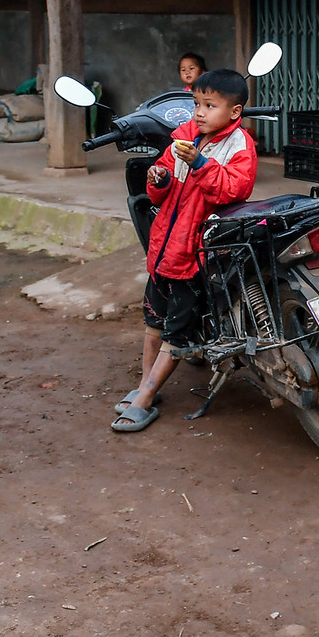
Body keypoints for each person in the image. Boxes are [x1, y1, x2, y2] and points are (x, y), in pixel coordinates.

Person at [112, 67, 257, 433]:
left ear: (234, 112)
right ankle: (148, 386)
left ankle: (145, 398)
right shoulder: (184, 136)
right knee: (152, 323)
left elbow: (232, 191)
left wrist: (199, 163)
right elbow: (161, 184)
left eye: (210, 105)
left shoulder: (239, 146)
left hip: (196, 255)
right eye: (196, 104)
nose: (199, 112)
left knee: (175, 332)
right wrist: (156, 179)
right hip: (165, 249)